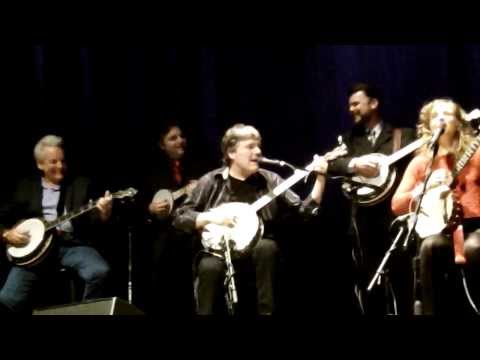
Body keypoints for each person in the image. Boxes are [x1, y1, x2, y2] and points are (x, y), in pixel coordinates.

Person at [172, 123, 329, 315]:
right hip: (219, 251)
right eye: (250, 147)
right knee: (208, 267)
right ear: (231, 153)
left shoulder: (270, 180)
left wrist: (320, 177)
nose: (258, 151)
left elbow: (304, 211)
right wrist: (212, 217)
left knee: (266, 247)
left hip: (257, 249)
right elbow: (180, 216)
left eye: (259, 146)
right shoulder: (211, 181)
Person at [327, 82, 417, 315]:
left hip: (396, 217)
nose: (351, 109)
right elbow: (332, 163)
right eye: (349, 105)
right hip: (363, 220)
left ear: (374, 103)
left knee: (402, 274)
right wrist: (353, 164)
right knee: (367, 276)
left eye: (356, 103)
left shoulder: (403, 135)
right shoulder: (348, 139)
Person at [0, 135, 113, 314]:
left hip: (70, 245)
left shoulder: (80, 185)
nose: (60, 166)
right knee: (8, 298)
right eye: (53, 162)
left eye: (62, 161)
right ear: (40, 164)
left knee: (99, 271)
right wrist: (6, 234)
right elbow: (2, 218)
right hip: (35, 251)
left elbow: (94, 220)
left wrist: (104, 213)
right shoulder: (24, 188)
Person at [391, 98, 480, 315]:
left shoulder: (476, 154)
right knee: (430, 247)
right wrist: (423, 187)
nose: (440, 118)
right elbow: (397, 205)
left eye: (447, 114)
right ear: (428, 125)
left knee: (474, 247)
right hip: (442, 229)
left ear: (459, 122)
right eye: (435, 116)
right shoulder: (421, 163)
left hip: (474, 225)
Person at [137, 122, 200, 315]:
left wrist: (200, 189)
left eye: (181, 136)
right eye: (173, 138)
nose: (180, 141)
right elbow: (138, 204)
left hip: (193, 229)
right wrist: (150, 208)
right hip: (162, 234)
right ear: (162, 145)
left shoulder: (197, 164)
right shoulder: (150, 171)